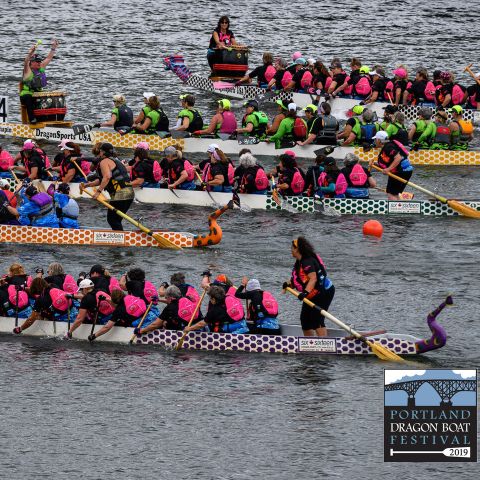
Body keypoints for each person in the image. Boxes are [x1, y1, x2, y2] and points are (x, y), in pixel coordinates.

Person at [285, 236, 335, 337]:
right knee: (305, 320)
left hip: (324, 292)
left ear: (297, 249)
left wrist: (305, 293)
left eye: (292, 248)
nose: (291, 250)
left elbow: (313, 278)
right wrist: (289, 284)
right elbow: (301, 279)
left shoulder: (307, 261)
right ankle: (309, 344)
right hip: (312, 293)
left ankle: (325, 345)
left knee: (317, 319)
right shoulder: (299, 262)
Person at [80, 142, 134, 230]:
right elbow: (102, 180)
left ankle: (120, 240)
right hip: (129, 193)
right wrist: (87, 185)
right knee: (116, 219)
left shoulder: (104, 161)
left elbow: (107, 177)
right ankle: (121, 236)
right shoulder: (116, 161)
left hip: (120, 194)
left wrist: (98, 192)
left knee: (112, 219)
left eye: (100, 151)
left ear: (102, 152)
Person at [12, 277, 76, 334]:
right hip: (72, 309)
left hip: (60, 315)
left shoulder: (40, 300)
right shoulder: (53, 285)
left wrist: (20, 329)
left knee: (39, 314)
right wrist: (23, 288)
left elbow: (31, 319)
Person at [20, 39, 58, 124]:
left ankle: (48, 119)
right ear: (32, 63)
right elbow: (26, 62)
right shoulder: (28, 71)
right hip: (27, 95)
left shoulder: (41, 68)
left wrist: (53, 48)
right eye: (37, 61)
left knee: (51, 98)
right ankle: (32, 120)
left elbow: (49, 58)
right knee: (28, 98)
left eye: (40, 61)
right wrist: (30, 53)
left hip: (37, 94)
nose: (39, 62)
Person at [183, 285, 249, 334]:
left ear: (214, 299)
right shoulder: (229, 297)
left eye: (210, 298)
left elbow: (202, 324)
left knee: (202, 328)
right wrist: (209, 289)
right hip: (243, 325)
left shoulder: (214, 310)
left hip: (230, 332)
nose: (210, 300)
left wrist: (189, 328)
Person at [372, 130, 413, 200]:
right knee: (394, 193)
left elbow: (398, 158)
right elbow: (390, 162)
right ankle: (398, 206)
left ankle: (394, 209)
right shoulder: (390, 144)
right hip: (406, 171)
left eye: (375, 139)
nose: (375, 141)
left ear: (379, 140)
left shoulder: (388, 147)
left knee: (390, 193)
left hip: (400, 172)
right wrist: (375, 165)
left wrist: (388, 169)